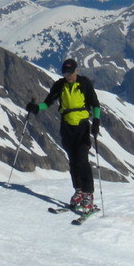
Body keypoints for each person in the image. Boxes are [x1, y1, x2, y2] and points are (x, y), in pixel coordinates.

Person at [25, 58, 102, 214]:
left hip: (82, 126)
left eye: (71, 73)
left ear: (76, 71)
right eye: (66, 74)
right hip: (66, 127)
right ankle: (78, 191)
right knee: (73, 161)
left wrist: (96, 122)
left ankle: (88, 194)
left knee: (82, 159)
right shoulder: (60, 85)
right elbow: (48, 102)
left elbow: (95, 104)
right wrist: (36, 108)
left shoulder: (85, 84)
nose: (69, 76)